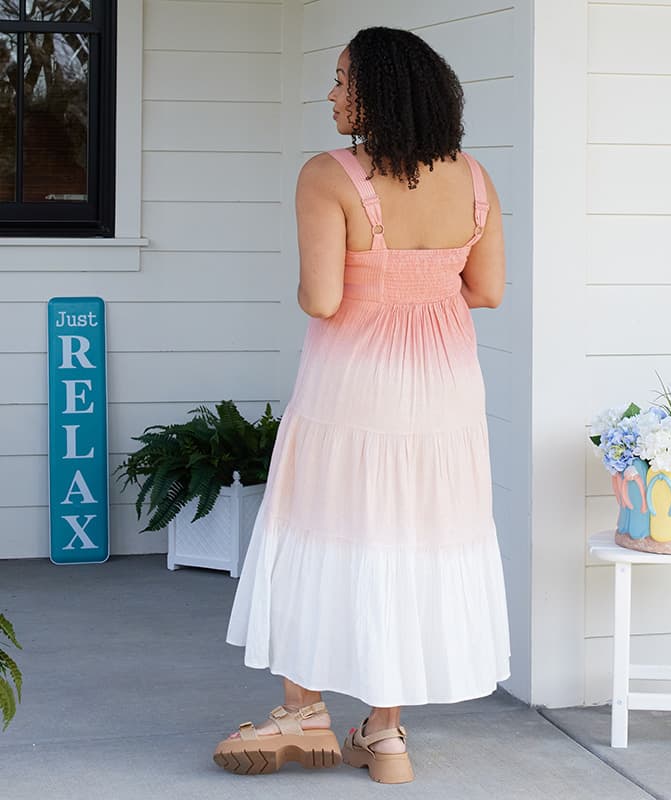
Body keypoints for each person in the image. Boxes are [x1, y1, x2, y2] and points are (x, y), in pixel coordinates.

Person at [214, 26, 510, 785]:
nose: (331, 93)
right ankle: (385, 736)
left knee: (325, 525)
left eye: (343, 79)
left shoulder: (329, 175)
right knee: (411, 539)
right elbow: (486, 290)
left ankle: (304, 709)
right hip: (444, 392)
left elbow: (322, 299)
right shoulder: (474, 178)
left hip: (356, 384)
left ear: (379, 92)